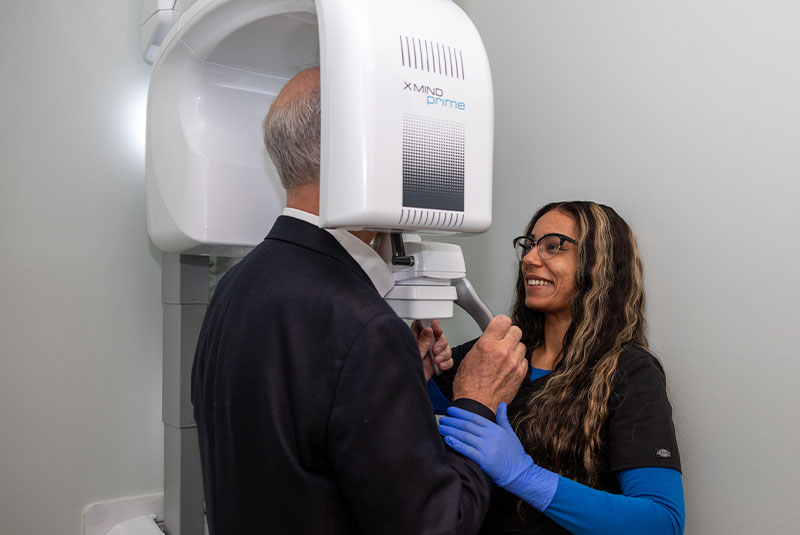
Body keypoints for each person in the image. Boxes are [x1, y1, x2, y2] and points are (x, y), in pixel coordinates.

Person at [190, 67, 529, 534]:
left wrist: (389, 381)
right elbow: (436, 526)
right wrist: (477, 401)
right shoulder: (362, 326)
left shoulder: (237, 285)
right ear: (360, 152)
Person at [434, 201, 685, 534]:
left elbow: (662, 522)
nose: (528, 259)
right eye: (529, 246)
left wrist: (526, 476)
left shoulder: (627, 373)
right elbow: (398, 418)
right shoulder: (496, 358)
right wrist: (416, 368)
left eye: (553, 247)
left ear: (599, 263)